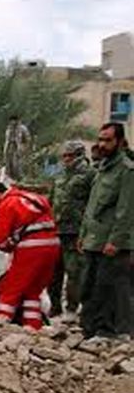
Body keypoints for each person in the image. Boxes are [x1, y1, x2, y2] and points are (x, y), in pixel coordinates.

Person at [77, 122, 134, 339]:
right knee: (89, 286)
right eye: (100, 139)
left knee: (108, 288)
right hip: (94, 239)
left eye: (107, 140)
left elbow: (126, 210)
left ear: (119, 142)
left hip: (111, 242)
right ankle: (89, 328)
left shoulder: (127, 171)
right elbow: (92, 206)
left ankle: (107, 331)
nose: (102, 144)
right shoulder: (102, 169)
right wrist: (83, 235)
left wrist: (116, 241)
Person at [0, 181, 59, 330]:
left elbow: (0, 236)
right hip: (53, 245)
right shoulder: (34, 197)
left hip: (32, 247)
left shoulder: (8, 203)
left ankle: (0, 321)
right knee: (33, 289)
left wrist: (8, 246)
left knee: (12, 285)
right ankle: (33, 325)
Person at [48, 140, 93, 318]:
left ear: (79, 155)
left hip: (76, 231)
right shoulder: (60, 176)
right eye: (64, 155)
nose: (66, 159)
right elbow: (52, 201)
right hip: (58, 229)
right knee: (53, 272)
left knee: (74, 271)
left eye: (70, 155)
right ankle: (55, 306)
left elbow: (94, 203)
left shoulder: (90, 175)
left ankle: (72, 308)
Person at [4, 114, 31, 181]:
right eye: (11, 121)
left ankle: (19, 179)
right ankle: (10, 179)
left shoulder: (22, 129)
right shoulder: (9, 129)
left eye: (14, 121)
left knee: (17, 165)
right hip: (10, 147)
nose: (13, 123)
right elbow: (7, 140)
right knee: (9, 165)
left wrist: (24, 148)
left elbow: (27, 139)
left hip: (18, 148)